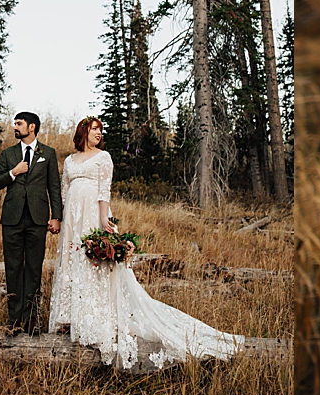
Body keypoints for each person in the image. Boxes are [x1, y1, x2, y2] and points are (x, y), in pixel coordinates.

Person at [49, 115, 245, 370]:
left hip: (93, 215)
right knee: (72, 262)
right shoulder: (70, 160)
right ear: (83, 131)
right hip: (72, 219)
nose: (98, 133)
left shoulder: (103, 157)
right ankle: (69, 316)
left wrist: (103, 220)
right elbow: (64, 192)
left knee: (94, 262)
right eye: (94, 129)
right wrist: (62, 219)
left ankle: (96, 316)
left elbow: (103, 191)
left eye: (100, 130)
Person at [0, 110, 62, 335]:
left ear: (32, 127)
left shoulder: (48, 153)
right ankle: (14, 320)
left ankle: (31, 319)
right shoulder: (8, 154)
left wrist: (56, 216)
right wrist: (13, 172)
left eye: (19, 123)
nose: (15, 127)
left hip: (38, 219)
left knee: (33, 268)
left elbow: (54, 187)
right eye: (15, 123)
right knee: (13, 268)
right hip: (12, 218)